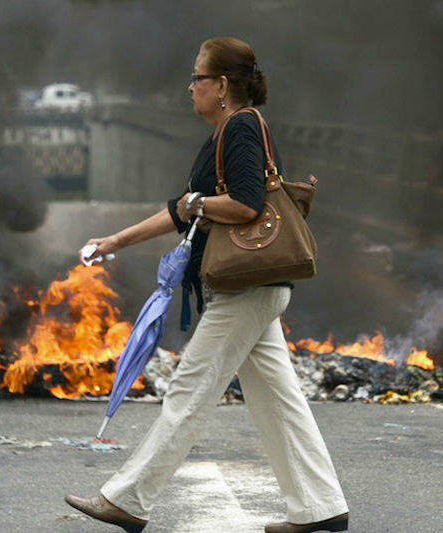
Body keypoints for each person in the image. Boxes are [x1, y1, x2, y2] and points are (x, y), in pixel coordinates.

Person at [66, 37, 349, 533]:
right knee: (280, 402)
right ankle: (320, 508)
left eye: (198, 78)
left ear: (222, 85)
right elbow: (180, 210)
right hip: (255, 290)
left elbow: (245, 205)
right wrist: (115, 239)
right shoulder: (223, 135)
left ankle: (128, 500)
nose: (190, 87)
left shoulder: (240, 128)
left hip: (247, 291)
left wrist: (198, 204)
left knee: (188, 390)